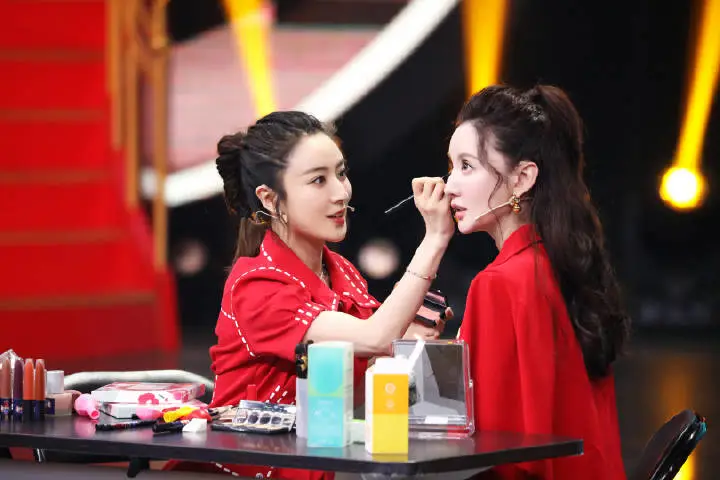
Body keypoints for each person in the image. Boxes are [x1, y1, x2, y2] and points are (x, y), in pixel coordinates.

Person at [164, 111, 454, 479]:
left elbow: (352, 391)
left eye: (341, 173)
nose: (341, 193)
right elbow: (376, 336)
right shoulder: (257, 285)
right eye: (318, 180)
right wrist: (435, 238)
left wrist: (408, 342)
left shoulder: (343, 272)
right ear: (270, 200)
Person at [444, 85, 630, 479]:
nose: (449, 185)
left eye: (467, 166)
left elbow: (489, 448)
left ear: (523, 178)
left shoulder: (500, 283)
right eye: (451, 166)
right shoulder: (560, 265)